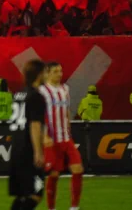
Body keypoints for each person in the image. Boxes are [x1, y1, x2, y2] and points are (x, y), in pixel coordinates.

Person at [43, 62, 84, 210]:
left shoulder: (65, 89)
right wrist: (44, 136)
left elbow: (66, 111)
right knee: (54, 175)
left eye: (61, 71)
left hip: (66, 138)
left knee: (78, 169)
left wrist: (69, 128)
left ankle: (74, 207)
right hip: (51, 140)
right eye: (55, 71)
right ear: (47, 73)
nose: (59, 74)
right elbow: (37, 116)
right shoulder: (42, 91)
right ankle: (51, 208)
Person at [7, 59, 47, 210]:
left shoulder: (19, 94)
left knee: (22, 195)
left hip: (17, 148)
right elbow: (35, 125)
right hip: (28, 149)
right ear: (39, 74)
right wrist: (38, 151)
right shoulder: (36, 96)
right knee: (35, 194)